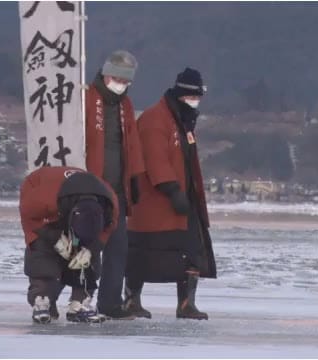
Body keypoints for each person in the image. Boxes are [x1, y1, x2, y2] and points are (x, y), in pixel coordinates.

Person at [124, 68, 217, 320]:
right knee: (141, 253)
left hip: (183, 200)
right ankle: (132, 300)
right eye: (191, 96)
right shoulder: (156, 119)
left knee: (192, 252)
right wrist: (173, 190)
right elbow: (156, 159)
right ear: (180, 94)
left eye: (197, 97)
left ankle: (186, 304)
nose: (194, 102)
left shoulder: (181, 121)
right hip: (158, 202)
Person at [85, 50, 145, 319]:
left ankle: (109, 303)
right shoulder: (85, 99)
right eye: (117, 78)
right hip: (91, 186)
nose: (120, 84)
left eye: (126, 81)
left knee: (118, 247)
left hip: (117, 189)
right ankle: (79, 299)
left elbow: (132, 145)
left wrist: (134, 180)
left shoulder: (126, 106)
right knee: (88, 247)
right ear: (105, 74)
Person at [20, 166, 119, 324]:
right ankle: (42, 298)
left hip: (71, 202)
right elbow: (29, 218)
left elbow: (107, 231)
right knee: (43, 252)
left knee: (87, 260)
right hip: (46, 196)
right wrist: (54, 237)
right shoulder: (41, 200)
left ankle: (80, 302)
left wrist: (92, 249)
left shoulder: (110, 204)